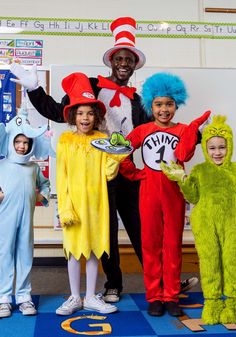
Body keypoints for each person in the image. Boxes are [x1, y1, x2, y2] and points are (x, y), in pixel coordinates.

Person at [9, 17, 198, 302]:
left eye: (129, 59)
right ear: (112, 61)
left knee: (143, 229)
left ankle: (161, 283)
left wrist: (191, 135)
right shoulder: (93, 87)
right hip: (98, 172)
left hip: (132, 171)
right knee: (105, 230)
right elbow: (61, 112)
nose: (124, 63)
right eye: (119, 58)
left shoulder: (139, 99)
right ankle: (113, 283)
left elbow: (158, 129)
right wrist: (35, 90)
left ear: (135, 64)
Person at [119, 72, 210, 317]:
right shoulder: (142, 130)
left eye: (169, 104)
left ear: (176, 104)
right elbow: (123, 153)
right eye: (159, 104)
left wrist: (192, 130)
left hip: (173, 194)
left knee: (172, 245)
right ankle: (154, 296)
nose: (164, 109)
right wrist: (136, 174)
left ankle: (170, 295)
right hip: (148, 192)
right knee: (150, 245)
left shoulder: (181, 130)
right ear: (151, 105)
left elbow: (184, 155)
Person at [55, 72, 129, 315]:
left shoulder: (101, 140)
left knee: (95, 249)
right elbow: (62, 177)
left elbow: (107, 175)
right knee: (75, 250)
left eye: (89, 113)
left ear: (96, 116)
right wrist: (65, 207)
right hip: (74, 205)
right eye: (80, 113)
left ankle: (90, 297)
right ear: (72, 116)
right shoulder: (65, 141)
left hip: (97, 205)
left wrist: (115, 158)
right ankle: (75, 296)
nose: (85, 117)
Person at [161, 115, 236, 325]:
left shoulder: (234, 170)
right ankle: (212, 301)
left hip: (232, 225)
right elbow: (192, 197)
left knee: (232, 262)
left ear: (229, 146)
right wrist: (182, 180)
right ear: (205, 148)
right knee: (210, 262)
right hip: (205, 225)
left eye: (222, 147)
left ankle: (232, 303)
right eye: (212, 148)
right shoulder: (200, 171)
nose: (217, 152)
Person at [0, 110, 51, 318]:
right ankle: (3, 297)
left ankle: (23, 296)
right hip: (5, 219)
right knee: (4, 255)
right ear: (11, 141)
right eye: (18, 142)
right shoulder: (2, 165)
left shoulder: (32, 167)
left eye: (26, 143)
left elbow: (45, 185)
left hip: (26, 219)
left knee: (25, 254)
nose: (22, 146)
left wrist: (42, 197)